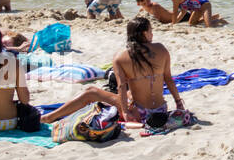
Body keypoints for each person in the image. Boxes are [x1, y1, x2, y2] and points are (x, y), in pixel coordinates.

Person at [40, 18, 188, 128]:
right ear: (144, 33)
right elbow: (168, 79)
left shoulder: (120, 57)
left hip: (140, 113)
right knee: (131, 94)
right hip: (161, 109)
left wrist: (125, 112)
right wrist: (178, 103)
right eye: (151, 30)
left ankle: (49, 117)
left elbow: (121, 87)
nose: (152, 33)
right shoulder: (161, 49)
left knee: (91, 91)